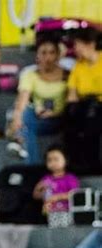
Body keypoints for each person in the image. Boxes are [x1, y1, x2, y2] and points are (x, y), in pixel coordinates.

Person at [7, 39, 68, 163]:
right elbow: (22, 100)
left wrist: (56, 113)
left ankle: (19, 143)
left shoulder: (68, 75)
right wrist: (17, 118)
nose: (48, 57)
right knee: (25, 113)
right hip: (39, 118)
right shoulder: (30, 75)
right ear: (37, 56)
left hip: (62, 117)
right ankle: (31, 163)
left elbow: (71, 102)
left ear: (57, 55)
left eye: (51, 53)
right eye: (43, 53)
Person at [64, 27, 102, 173]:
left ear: (90, 44)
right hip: (85, 105)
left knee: (93, 119)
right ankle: (75, 163)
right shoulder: (78, 66)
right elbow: (72, 93)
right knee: (71, 116)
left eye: (78, 45)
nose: (75, 49)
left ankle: (94, 165)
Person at [32, 145, 79, 228]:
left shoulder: (70, 178)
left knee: (64, 231)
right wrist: (37, 188)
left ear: (66, 160)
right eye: (49, 160)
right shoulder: (46, 179)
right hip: (50, 213)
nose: (53, 163)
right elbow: (36, 196)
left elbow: (75, 194)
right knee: (52, 230)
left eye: (56, 159)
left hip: (66, 211)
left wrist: (57, 197)